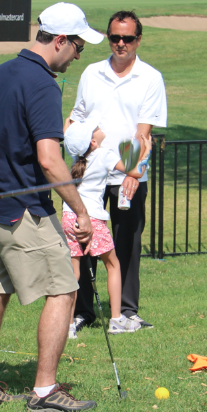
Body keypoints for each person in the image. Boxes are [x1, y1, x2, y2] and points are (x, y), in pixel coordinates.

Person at [0, 2, 101, 412]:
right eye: (77, 46)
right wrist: (81, 209)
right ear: (59, 41)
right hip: (24, 210)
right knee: (64, 290)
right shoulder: (41, 84)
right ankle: (44, 391)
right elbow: (49, 160)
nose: (78, 55)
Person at [67, 11, 167, 335]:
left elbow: (142, 132)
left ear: (139, 39)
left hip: (126, 170)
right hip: (90, 174)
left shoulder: (150, 77)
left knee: (126, 244)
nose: (120, 44)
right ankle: (83, 311)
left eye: (127, 38)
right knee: (82, 244)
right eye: (114, 37)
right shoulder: (91, 73)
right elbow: (76, 118)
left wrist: (132, 174)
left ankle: (125, 312)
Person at [61, 120, 150, 338]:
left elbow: (69, 136)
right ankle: (117, 320)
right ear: (92, 141)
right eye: (95, 129)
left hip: (68, 216)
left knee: (73, 272)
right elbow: (136, 172)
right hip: (91, 219)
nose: (99, 128)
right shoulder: (104, 154)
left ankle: (69, 324)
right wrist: (145, 151)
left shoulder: (75, 157)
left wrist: (70, 120)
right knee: (113, 264)